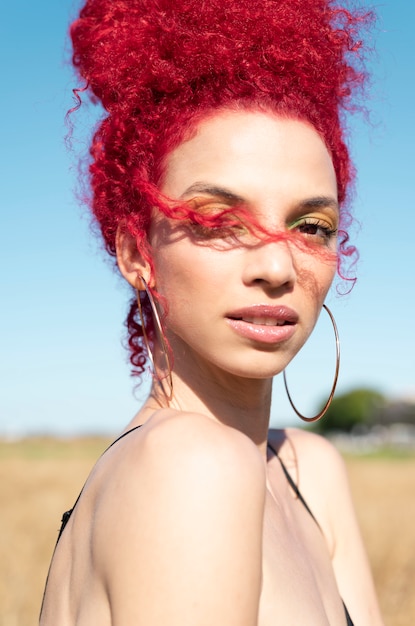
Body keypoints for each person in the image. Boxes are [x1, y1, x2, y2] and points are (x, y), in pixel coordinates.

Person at [40, 0, 384, 624]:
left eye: (311, 226)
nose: (278, 269)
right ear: (135, 251)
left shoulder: (311, 473)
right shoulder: (189, 467)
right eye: (220, 222)